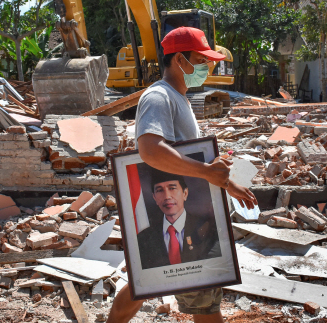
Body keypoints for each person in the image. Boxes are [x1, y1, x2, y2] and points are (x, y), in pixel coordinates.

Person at [106, 27, 257, 323]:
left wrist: (229, 184)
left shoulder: (180, 98)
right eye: (200, 60)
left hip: (180, 220)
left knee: (144, 284)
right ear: (179, 60)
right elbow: (150, 149)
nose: (207, 66)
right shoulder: (159, 97)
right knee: (204, 302)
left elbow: (186, 157)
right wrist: (206, 173)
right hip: (180, 224)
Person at [137, 169, 220, 269]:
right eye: (159, 190)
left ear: (185, 193)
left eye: (172, 188)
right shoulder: (143, 239)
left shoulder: (208, 229)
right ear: (154, 198)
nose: (167, 196)